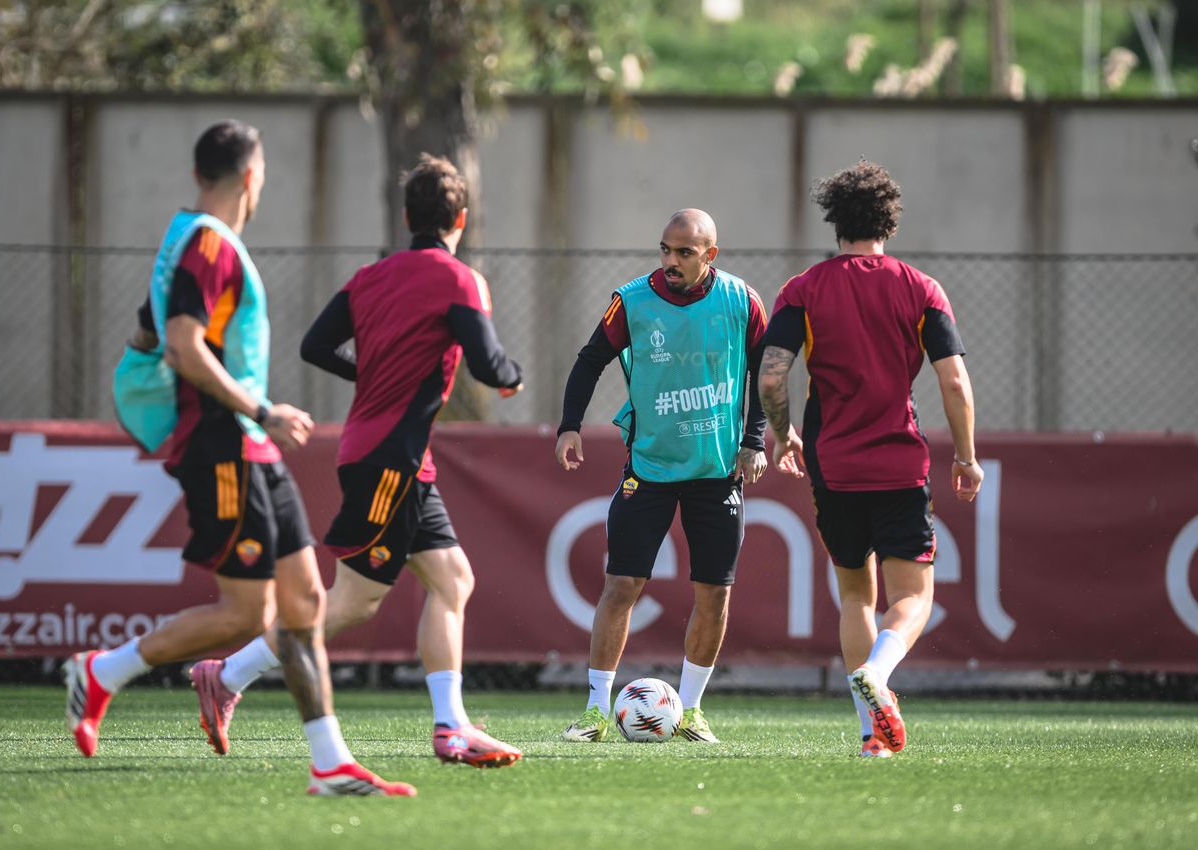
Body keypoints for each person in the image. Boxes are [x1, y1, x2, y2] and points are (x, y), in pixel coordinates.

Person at [70, 120, 415, 797]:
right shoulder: (207, 244)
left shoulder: (182, 237)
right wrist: (260, 409)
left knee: (305, 602)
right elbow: (180, 344)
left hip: (249, 447)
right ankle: (100, 672)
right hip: (226, 445)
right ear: (251, 178)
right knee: (244, 615)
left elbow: (147, 328)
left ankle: (329, 762)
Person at [190, 153, 525, 769]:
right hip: (389, 458)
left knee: (453, 580)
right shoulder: (459, 279)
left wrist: (369, 371)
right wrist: (511, 376)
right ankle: (228, 675)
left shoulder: (371, 277)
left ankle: (452, 726)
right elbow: (487, 363)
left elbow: (315, 345)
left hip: (387, 454)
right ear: (462, 219)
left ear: (406, 217)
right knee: (348, 604)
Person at [757, 160, 983, 758]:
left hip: (833, 465)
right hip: (899, 464)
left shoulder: (803, 289)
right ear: (890, 220)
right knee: (913, 597)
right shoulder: (920, 288)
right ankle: (880, 673)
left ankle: (870, 735)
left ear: (835, 221)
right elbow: (954, 382)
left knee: (857, 594)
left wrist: (783, 436)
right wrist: (966, 457)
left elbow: (772, 377)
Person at [555, 209, 768, 744]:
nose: (670, 262)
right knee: (621, 583)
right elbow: (589, 359)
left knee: (713, 592)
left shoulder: (742, 301)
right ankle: (595, 711)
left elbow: (770, 370)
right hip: (648, 467)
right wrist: (568, 426)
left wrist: (756, 439)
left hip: (717, 470)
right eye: (665, 250)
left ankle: (692, 711)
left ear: (710, 255)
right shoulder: (632, 300)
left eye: (684, 253)